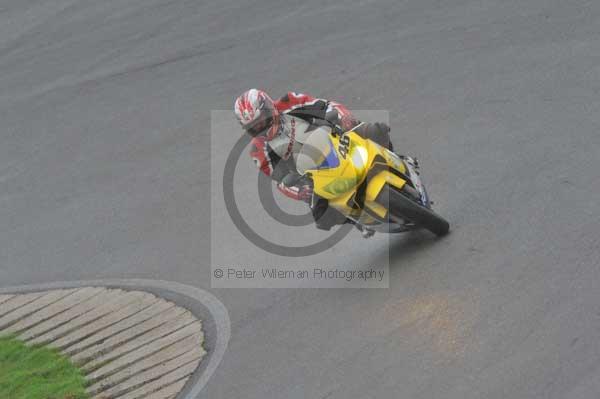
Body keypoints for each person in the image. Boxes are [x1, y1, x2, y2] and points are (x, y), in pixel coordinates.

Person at [234, 89, 404, 237]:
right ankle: (358, 221)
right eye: (254, 127)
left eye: (263, 120)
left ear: (269, 107)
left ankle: (397, 161)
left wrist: (345, 119)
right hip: (313, 176)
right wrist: (301, 191)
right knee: (322, 218)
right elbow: (281, 181)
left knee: (376, 130)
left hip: (333, 140)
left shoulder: (290, 101)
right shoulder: (259, 152)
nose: (261, 128)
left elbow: (328, 106)